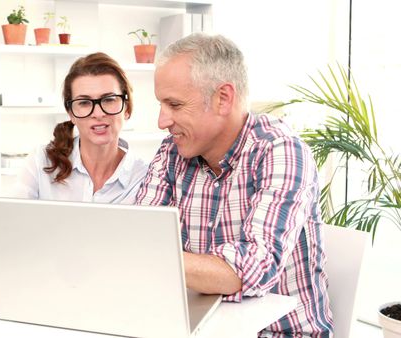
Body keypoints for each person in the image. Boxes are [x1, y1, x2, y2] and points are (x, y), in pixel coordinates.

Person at [136, 33, 333, 337]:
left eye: (174, 104)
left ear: (223, 98)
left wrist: (146, 254)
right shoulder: (172, 152)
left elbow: (254, 268)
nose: (163, 120)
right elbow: (138, 234)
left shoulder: (280, 151)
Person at [15, 52, 148, 203]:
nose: (98, 113)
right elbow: (13, 223)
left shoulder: (145, 176)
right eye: (84, 102)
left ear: (127, 107)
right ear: (70, 113)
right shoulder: (41, 162)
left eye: (109, 100)